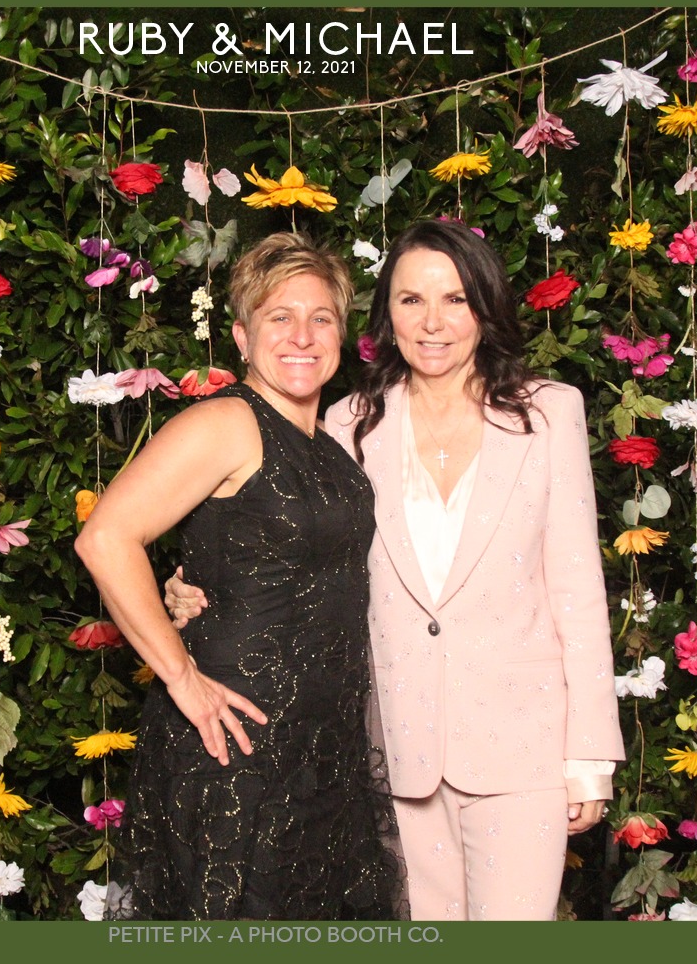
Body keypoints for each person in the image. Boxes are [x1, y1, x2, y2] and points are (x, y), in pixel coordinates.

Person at [167, 220, 625, 921]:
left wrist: (588, 757)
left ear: (485, 308)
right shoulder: (347, 422)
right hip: (393, 749)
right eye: (411, 300)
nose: (432, 322)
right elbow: (292, 543)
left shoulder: (549, 413)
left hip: (523, 749)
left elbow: (577, 590)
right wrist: (196, 584)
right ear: (386, 315)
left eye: (455, 299)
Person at [74, 231, 405, 921]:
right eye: (279, 316)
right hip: (235, 746)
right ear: (242, 338)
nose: (302, 336)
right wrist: (181, 676)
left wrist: (189, 580)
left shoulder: (329, 445)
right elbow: (105, 537)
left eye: (321, 318)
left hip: (322, 751)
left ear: (342, 336)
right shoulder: (226, 421)